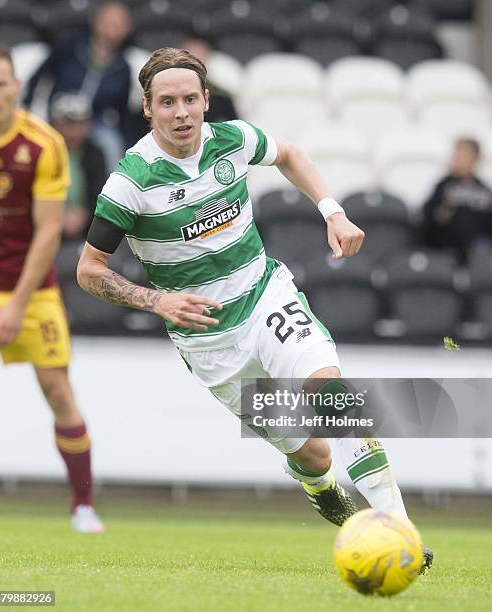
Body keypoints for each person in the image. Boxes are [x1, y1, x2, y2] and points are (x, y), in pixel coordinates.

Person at [76, 47, 431, 568]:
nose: (181, 113)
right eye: (167, 102)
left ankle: (403, 536)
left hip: (267, 297)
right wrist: (157, 300)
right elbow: (89, 270)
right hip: (211, 342)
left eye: (191, 99)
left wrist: (332, 211)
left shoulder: (233, 140)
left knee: (331, 392)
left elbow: (288, 154)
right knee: (313, 453)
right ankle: (316, 482)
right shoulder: (130, 183)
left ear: (205, 100)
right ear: (148, 108)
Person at [0, 41, 104, 533]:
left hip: (29, 291)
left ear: (16, 85)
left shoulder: (44, 143)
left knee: (58, 393)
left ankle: (83, 506)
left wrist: (14, 306)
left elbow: (49, 232)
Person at [23, 1, 133, 173]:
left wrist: (127, 143)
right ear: (95, 21)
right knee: (35, 145)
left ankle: (114, 196)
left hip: (94, 122)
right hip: (58, 115)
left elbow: (122, 112)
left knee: (112, 144)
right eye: (108, 23)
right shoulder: (70, 45)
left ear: (127, 29)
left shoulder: (123, 67)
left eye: (118, 25)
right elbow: (41, 74)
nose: (112, 30)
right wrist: (27, 103)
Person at [422, 137, 492, 264]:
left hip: (478, 253)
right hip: (446, 250)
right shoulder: (443, 186)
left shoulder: (484, 190)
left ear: (475, 159)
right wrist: (440, 216)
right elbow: (427, 218)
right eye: (456, 155)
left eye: (463, 155)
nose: (457, 159)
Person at [50, 93, 107, 240]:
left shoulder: (95, 152)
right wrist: (59, 215)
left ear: (87, 124)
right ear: (55, 125)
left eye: (77, 124)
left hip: (88, 225)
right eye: (66, 124)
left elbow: (101, 191)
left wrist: (84, 214)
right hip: (50, 221)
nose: (71, 131)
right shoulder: (45, 152)